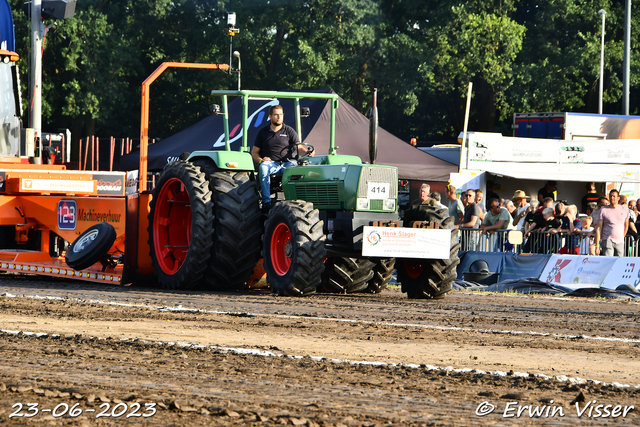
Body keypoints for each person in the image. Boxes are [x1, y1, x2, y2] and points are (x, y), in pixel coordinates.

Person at [252, 105, 312, 212]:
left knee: (298, 169)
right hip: (271, 164)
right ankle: (266, 202)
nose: (279, 117)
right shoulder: (263, 132)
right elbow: (254, 153)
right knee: (264, 167)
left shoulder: (289, 131)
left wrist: (308, 152)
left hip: (287, 163)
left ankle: (294, 199)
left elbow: (298, 148)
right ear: (270, 116)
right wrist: (261, 160)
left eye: (281, 115)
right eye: (276, 115)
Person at [595, 189, 629, 256]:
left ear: (618, 198)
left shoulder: (625, 210)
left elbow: (626, 226)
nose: (612, 198)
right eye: (610, 196)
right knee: (608, 261)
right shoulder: (603, 210)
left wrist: (622, 236)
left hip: (620, 241)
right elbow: (599, 228)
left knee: (619, 262)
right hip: (607, 239)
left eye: (614, 196)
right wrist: (597, 245)